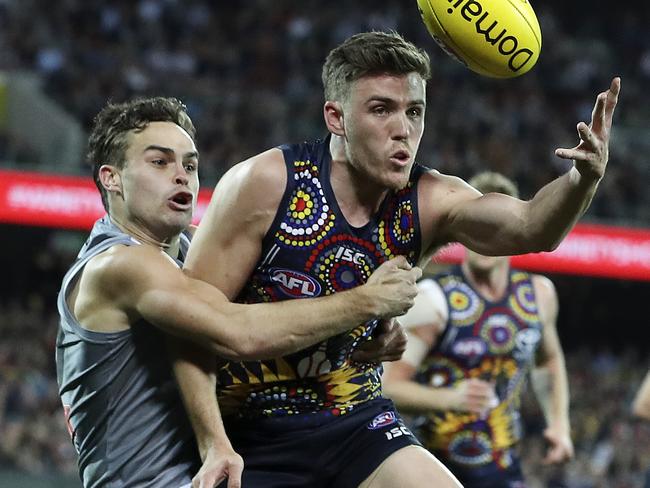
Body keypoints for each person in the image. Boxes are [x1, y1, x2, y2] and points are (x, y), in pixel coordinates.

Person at [178, 30, 619, 487]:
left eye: (414, 111)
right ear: (336, 117)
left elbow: (531, 228)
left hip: (354, 417)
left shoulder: (429, 200)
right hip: (248, 429)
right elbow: (191, 329)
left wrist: (580, 179)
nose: (403, 129)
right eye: (381, 109)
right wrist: (213, 443)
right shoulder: (264, 183)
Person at [55, 96, 423, 488]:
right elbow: (238, 332)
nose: (181, 175)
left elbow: (286, 307)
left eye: (190, 164)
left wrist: (366, 331)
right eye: (160, 162)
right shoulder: (119, 265)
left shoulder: (190, 253)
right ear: (111, 178)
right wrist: (366, 300)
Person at [382, 172, 574, 487]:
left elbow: (548, 360)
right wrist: (449, 399)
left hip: (504, 468)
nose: (484, 237)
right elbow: (388, 387)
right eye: (475, 226)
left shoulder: (539, 295)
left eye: (494, 226)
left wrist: (559, 424)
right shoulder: (432, 301)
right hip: (433, 468)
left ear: (513, 233)